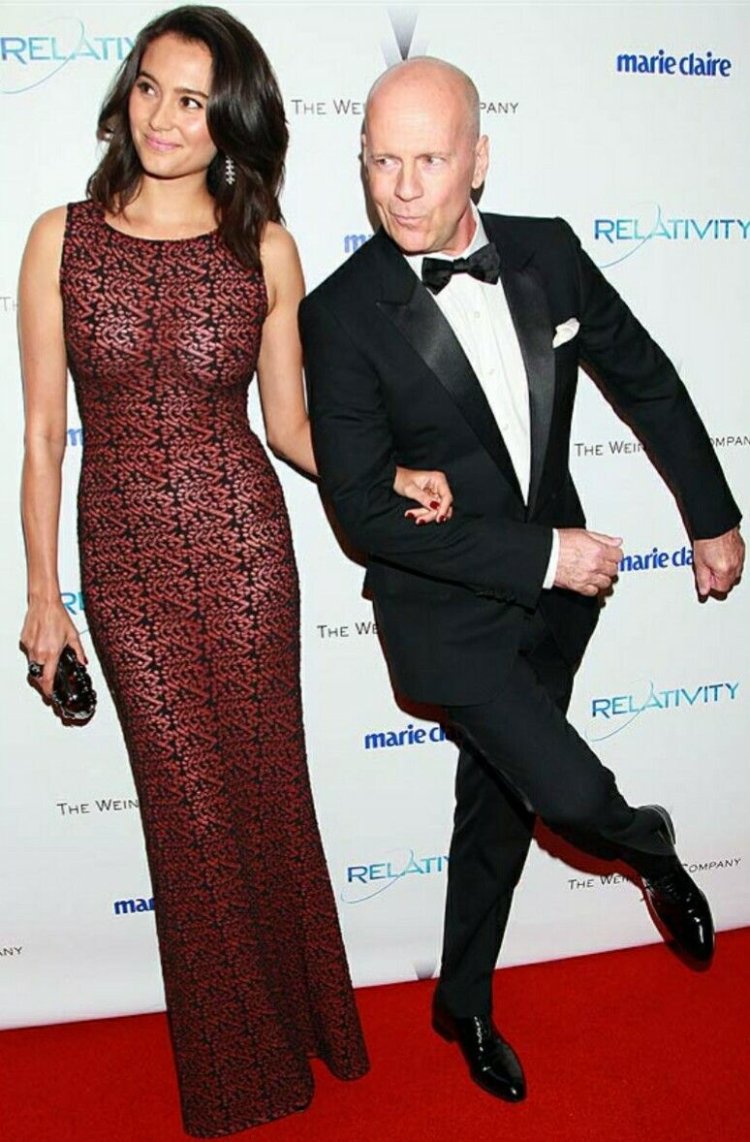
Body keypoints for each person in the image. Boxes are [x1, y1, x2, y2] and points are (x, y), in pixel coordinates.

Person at [17, 8, 453, 1136]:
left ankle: (310, 1021)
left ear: (232, 122)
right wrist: (44, 597)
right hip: (124, 567)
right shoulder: (60, 239)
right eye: (150, 88)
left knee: (266, 793)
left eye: (194, 101)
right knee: (187, 814)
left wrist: (389, 472)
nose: (163, 117)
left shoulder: (263, 248)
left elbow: (293, 426)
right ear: (125, 93)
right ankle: (239, 1069)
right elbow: (45, 435)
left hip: (247, 550)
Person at [300, 57, 744, 1105]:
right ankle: (648, 844)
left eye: (429, 159)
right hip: (445, 619)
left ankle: (462, 1002)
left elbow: (646, 377)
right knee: (572, 793)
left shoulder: (548, 254)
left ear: (480, 159)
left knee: (495, 810)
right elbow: (363, 513)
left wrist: (712, 514)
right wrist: (546, 554)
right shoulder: (342, 313)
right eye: (382, 162)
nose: (403, 188)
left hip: (553, 611)